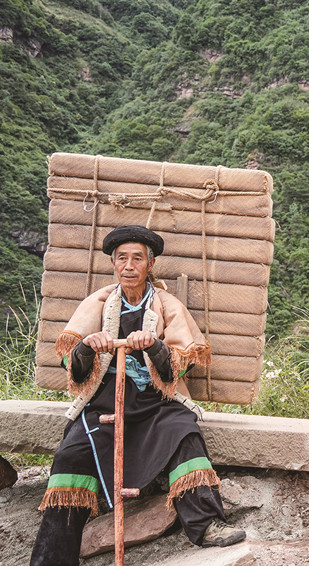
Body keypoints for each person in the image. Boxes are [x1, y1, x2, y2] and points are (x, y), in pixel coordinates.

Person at [31, 225, 245, 566]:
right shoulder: (98, 303)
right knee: (71, 454)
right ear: (113, 264)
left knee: (184, 433)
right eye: (122, 259)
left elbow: (182, 365)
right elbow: (72, 366)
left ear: (150, 264)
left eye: (137, 259)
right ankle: (53, 556)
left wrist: (155, 347)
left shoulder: (166, 304)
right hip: (103, 401)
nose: (129, 266)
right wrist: (88, 346)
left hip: (155, 400)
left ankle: (206, 525)